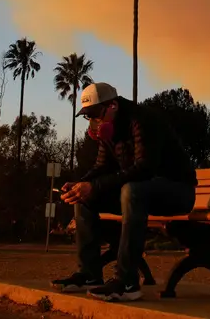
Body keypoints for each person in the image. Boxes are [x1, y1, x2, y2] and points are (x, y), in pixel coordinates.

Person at [52, 82, 197, 302]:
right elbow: (102, 167)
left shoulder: (143, 120)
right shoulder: (108, 132)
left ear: (112, 106)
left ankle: (127, 282)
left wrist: (95, 185)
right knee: (84, 197)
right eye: (87, 115)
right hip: (140, 192)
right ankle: (90, 274)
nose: (93, 120)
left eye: (95, 113)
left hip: (177, 191)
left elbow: (144, 168)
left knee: (132, 190)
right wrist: (81, 184)